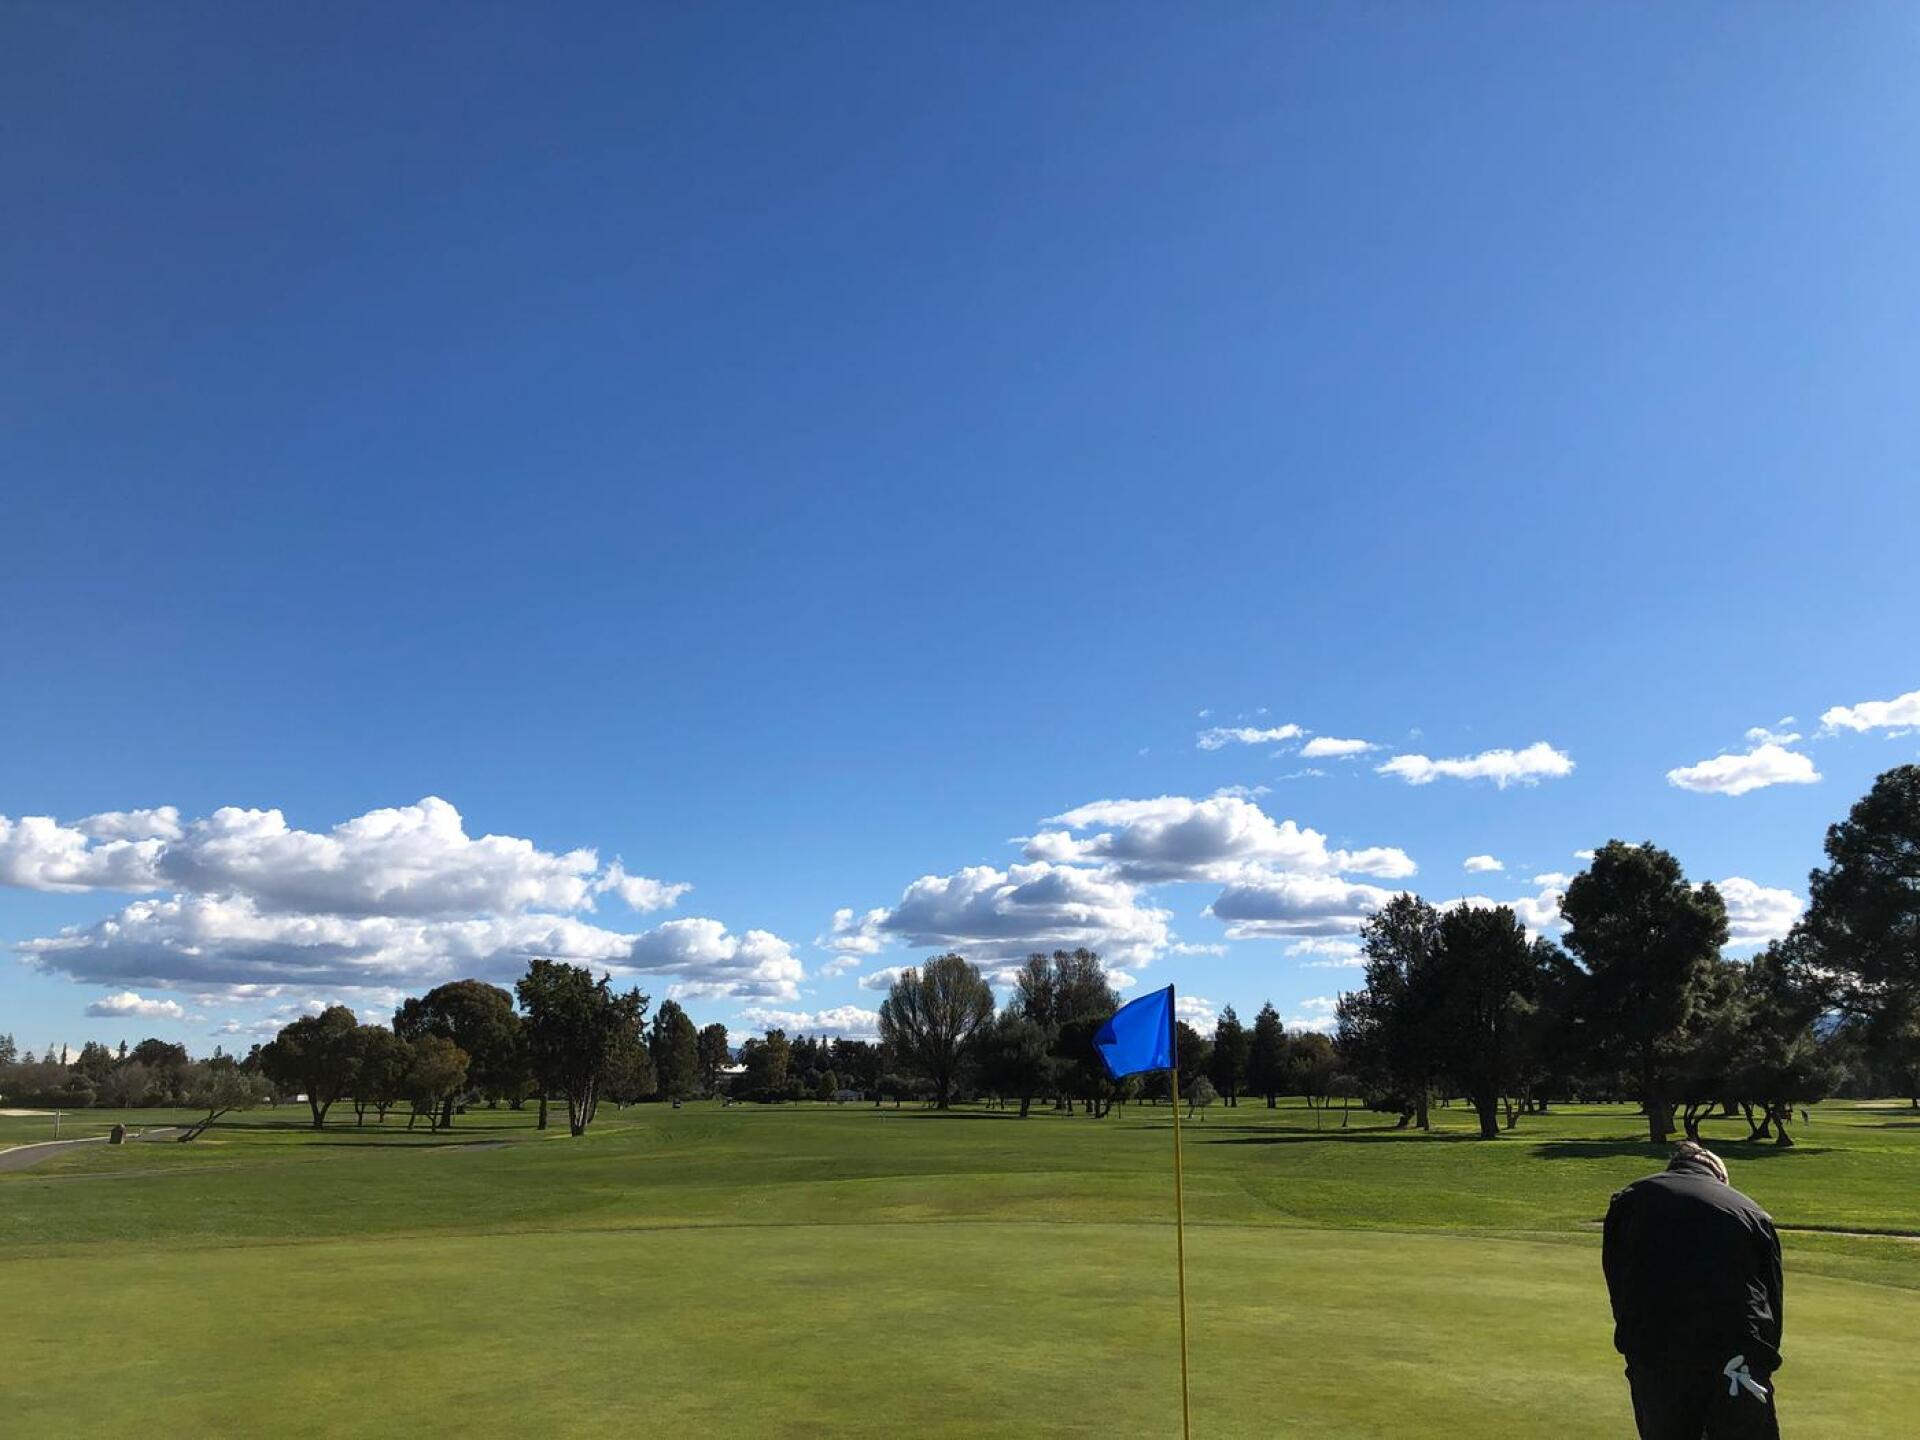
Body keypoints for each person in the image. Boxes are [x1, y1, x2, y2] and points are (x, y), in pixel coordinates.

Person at [1603, 1142, 1785, 1438]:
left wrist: (1632, 1339)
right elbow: (1772, 1295)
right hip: (1735, 1356)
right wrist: (1766, 1358)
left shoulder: (1629, 1200)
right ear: (1718, 1174)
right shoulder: (1749, 1211)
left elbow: (1617, 1279)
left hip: (1654, 1352)